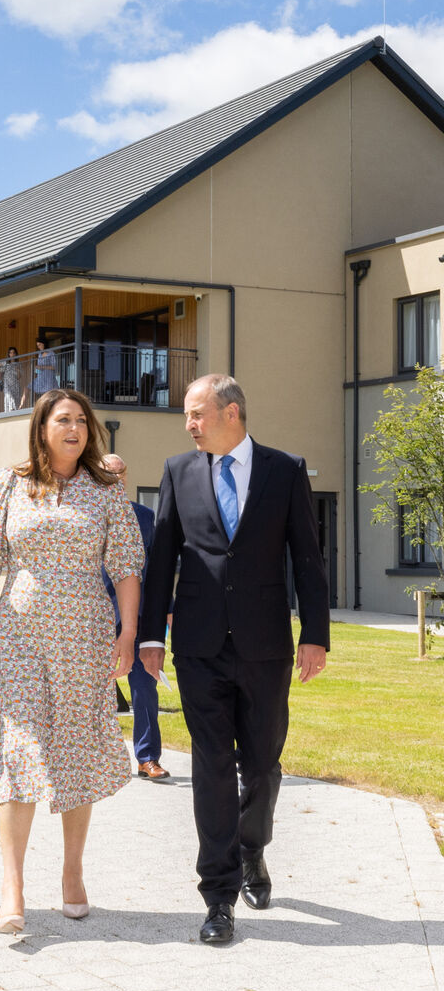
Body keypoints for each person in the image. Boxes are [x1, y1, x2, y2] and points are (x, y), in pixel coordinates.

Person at [140, 374, 329, 946]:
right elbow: (163, 555)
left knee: (264, 761)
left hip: (266, 644)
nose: (189, 425)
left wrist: (315, 633)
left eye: (197, 414)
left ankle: (253, 848)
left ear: (231, 413)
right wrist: (151, 636)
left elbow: (307, 556)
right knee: (212, 765)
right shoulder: (178, 471)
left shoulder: (284, 468)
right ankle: (217, 895)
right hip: (199, 646)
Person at [0, 389, 144, 935]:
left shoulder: (105, 489)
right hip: (20, 638)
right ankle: (12, 885)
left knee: (76, 750)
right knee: (18, 751)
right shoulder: (13, 484)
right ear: (41, 428)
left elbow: (128, 566)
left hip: (85, 638)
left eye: (81, 421)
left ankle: (72, 870)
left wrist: (127, 633)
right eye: (64, 420)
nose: (75, 428)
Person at [102, 454, 169, 782]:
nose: (115, 478)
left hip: (139, 617)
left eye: (120, 473)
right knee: (85, 690)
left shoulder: (145, 517)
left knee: (145, 688)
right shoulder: (83, 516)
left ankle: (147, 757)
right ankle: (90, 758)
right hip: (93, 615)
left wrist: (166, 609)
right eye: (107, 473)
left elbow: (159, 569)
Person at [0, 346, 23, 412]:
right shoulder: (5, 362)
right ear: (8, 354)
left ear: (16, 354)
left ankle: (14, 411)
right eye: (10, 353)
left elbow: (19, 376)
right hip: (7, 383)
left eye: (13, 353)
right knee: (9, 396)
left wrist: (17, 370)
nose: (12, 354)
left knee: (15, 398)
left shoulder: (18, 364)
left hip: (15, 384)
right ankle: (11, 410)